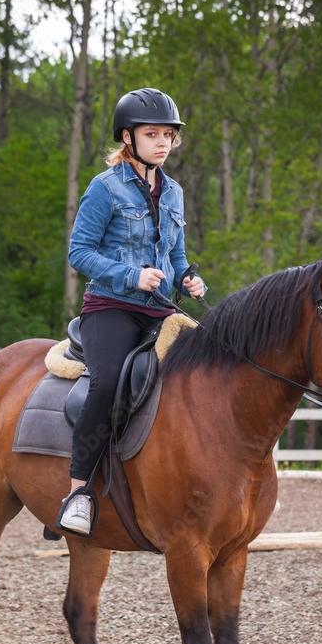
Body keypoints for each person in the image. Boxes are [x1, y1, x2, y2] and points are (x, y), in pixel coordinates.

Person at [55, 87, 206, 536]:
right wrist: (131, 275)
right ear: (128, 137)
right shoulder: (104, 188)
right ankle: (77, 493)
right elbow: (78, 252)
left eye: (168, 135)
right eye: (152, 134)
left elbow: (175, 255)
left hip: (160, 310)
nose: (163, 142)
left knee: (210, 368)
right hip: (111, 307)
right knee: (105, 383)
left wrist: (187, 279)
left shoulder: (174, 192)